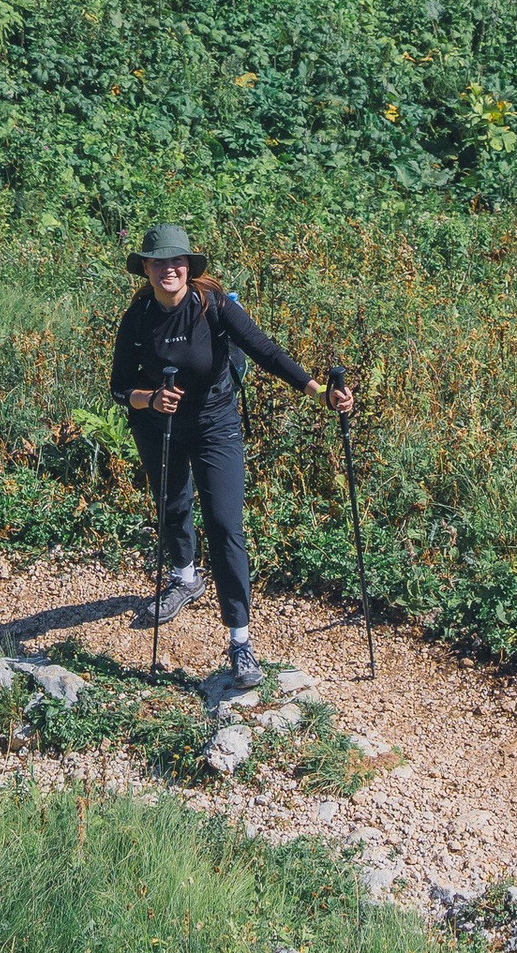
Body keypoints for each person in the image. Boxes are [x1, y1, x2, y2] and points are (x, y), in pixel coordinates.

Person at [110, 225, 354, 686]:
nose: (169, 268)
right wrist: (148, 399)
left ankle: (240, 642)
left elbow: (265, 351)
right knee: (172, 505)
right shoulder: (138, 316)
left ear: (189, 267)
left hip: (214, 425)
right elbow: (120, 386)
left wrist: (319, 392)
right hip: (157, 425)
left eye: (177, 261)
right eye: (159, 262)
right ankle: (185, 577)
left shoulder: (213, 306)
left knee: (225, 525)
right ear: (145, 268)